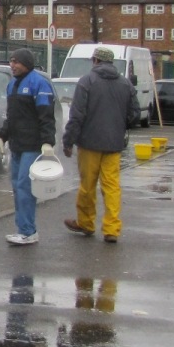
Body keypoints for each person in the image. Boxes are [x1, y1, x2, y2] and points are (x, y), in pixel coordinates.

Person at [61, 46, 138, 243]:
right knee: (111, 186)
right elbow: (134, 115)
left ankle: (86, 223)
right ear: (111, 62)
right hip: (114, 144)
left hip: (89, 142)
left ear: (95, 61)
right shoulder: (125, 84)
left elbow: (77, 115)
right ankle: (111, 229)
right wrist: (119, 126)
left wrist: (68, 141)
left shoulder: (87, 81)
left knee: (88, 185)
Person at [0, 47, 56, 246]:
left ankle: (28, 231)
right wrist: (1, 136)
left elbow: (46, 116)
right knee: (17, 187)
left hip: (32, 145)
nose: (12, 65)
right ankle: (23, 229)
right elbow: (11, 117)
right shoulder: (12, 85)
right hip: (18, 145)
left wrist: (48, 141)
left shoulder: (39, 83)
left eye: (16, 61)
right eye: (11, 61)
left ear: (26, 64)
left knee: (24, 187)